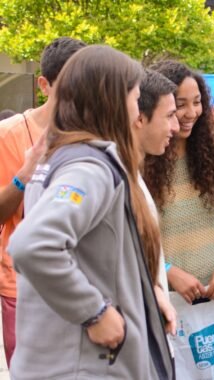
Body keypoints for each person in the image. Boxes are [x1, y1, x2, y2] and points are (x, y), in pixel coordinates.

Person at [6, 45, 173, 379]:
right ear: (111, 99)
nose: (136, 110)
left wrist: (145, 294)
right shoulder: (89, 167)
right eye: (135, 97)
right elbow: (33, 244)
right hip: (85, 366)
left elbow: (95, 257)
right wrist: (94, 313)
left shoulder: (60, 156)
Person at [0, 36, 86, 366]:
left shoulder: (99, 135)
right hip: (23, 290)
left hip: (85, 289)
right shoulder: (9, 134)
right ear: (44, 85)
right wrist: (24, 174)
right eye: (68, 85)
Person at [144, 60, 214, 304]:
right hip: (162, 300)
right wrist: (168, 270)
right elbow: (132, 242)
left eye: (197, 102)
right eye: (180, 105)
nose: (191, 112)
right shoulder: (140, 164)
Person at [133, 68, 180, 312]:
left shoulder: (131, 173)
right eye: (170, 115)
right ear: (139, 118)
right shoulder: (103, 176)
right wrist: (98, 314)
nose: (176, 126)